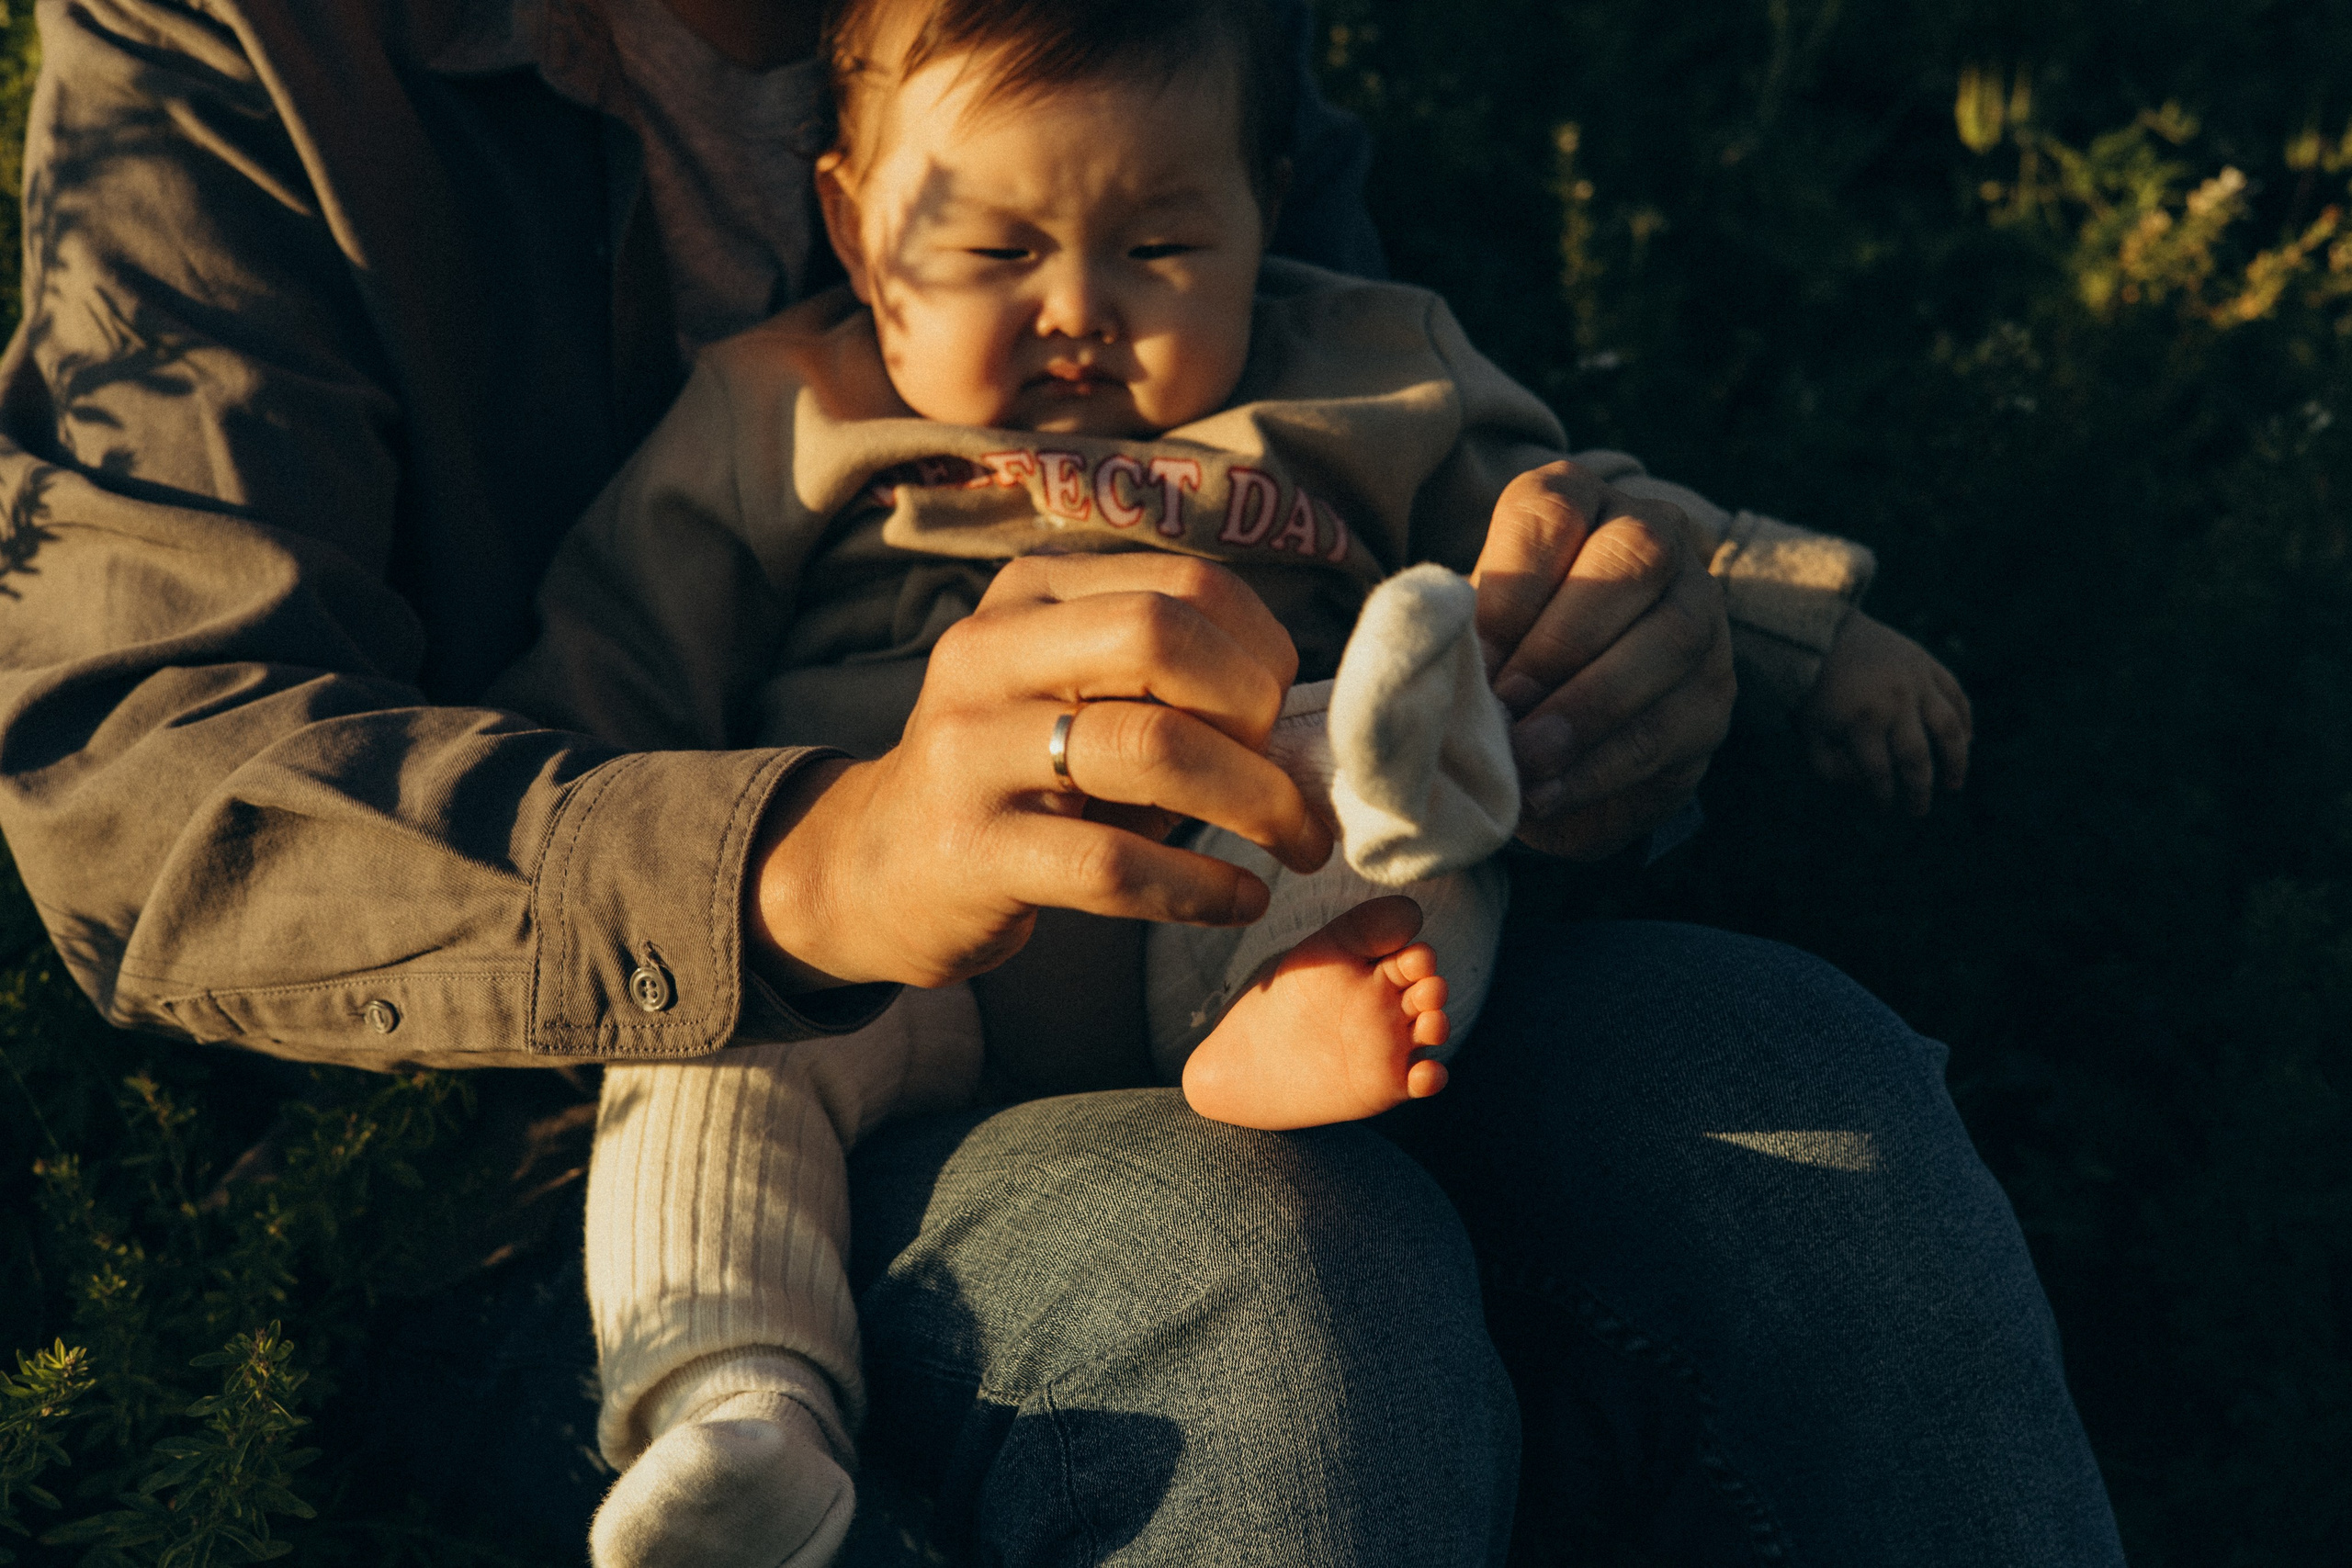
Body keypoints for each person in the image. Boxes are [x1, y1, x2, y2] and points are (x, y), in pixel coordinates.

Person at [0, 0, 2124, 1562]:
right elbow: (143, 772)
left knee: (1796, 1092)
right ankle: (728, 1407)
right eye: (995, 255)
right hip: (696, 1057)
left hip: (1278, 900)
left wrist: (1595, 692)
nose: (1079, 318)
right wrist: (797, 860)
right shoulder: (251, 53)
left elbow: (1412, 450)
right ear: (856, 210)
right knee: (1262, 1272)